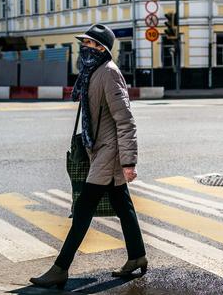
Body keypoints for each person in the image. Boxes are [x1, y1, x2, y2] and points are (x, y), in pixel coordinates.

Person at [29, 24, 147, 289]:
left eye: (92, 44)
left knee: (83, 209)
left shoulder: (108, 73)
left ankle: (60, 268)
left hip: (109, 151)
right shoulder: (91, 72)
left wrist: (129, 162)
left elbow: (126, 120)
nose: (85, 47)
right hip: (99, 149)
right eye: (84, 43)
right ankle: (137, 256)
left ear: (102, 49)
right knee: (123, 206)